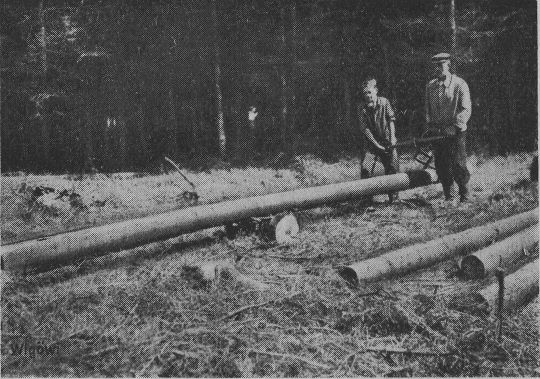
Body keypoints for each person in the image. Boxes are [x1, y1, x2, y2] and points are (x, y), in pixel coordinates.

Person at [425, 53, 472, 203]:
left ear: (448, 65)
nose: (437, 69)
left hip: (456, 133)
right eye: (435, 66)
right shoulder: (430, 86)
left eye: (441, 65)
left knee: (458, 164)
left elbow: (466, 109)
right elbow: (427, 111)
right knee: (442, 165)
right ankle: (449, 198)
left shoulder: (459, 84)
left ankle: (465, 196)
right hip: (438, 134)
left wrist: (455, 126)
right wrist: (431, 127)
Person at [357, 78, 400, 202]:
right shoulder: (362, 108)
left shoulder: (384, 102)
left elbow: (391, 120)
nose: (367, 96)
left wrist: (392, 138)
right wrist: (376, 145)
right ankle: (367, 201)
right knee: (366, 169)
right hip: (371, 145)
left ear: (376, 91)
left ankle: (394, 198)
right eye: (365, 93)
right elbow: (365, 129)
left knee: (392, 169)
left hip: (387, 142)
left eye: (369, 92)